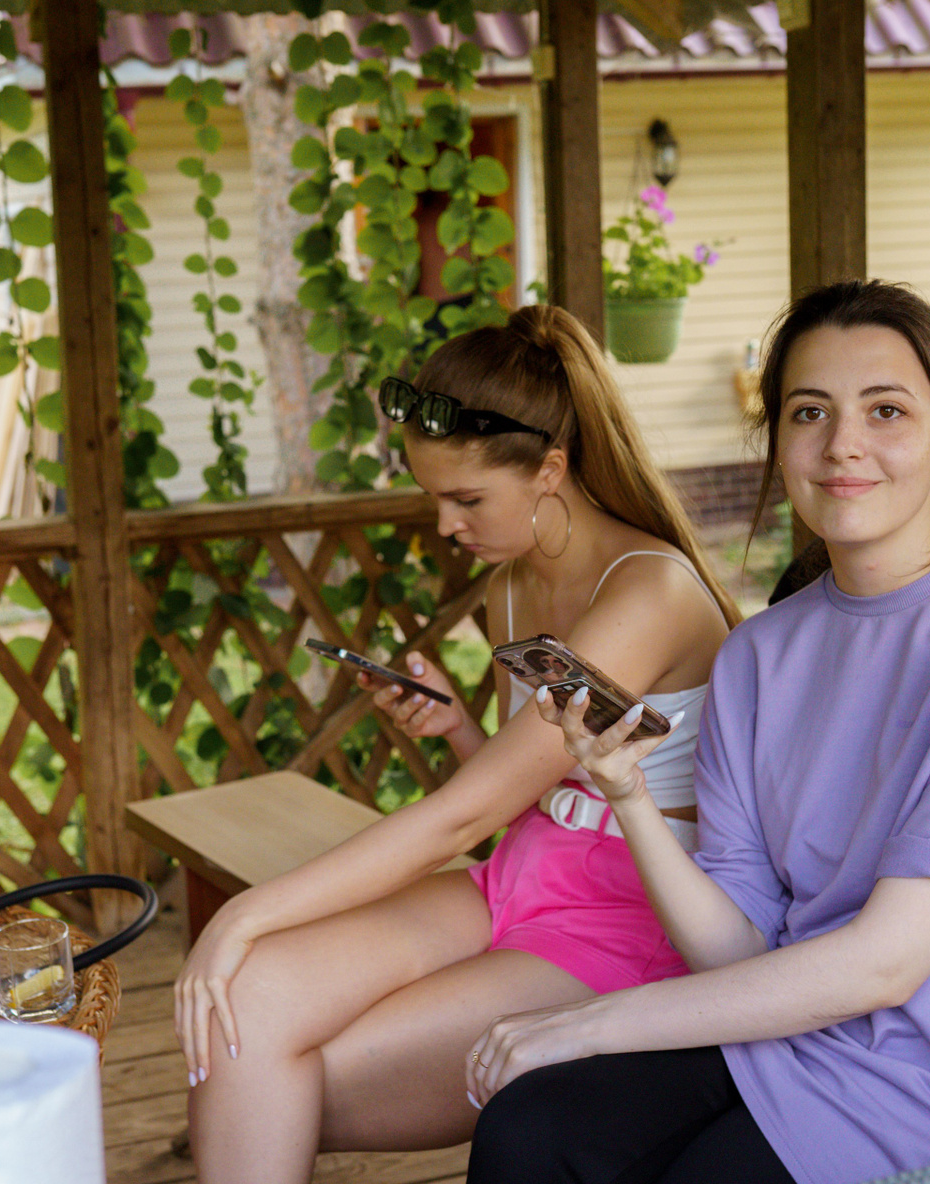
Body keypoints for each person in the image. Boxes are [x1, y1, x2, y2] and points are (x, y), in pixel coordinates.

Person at [465, 281, 930, 1184]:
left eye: (886, 410)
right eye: (809, 412)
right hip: (801, 1035)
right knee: (529, 1132)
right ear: (778, 440)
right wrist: (627, 795)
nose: (842, 444)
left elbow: (884, 965)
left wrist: (589, 1025)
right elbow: (736, 945)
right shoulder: (760, 655)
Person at [174, 306, 740, 1183]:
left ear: (550, 469)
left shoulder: (648, 592)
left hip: (634, 913)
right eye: (434, 497)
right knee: (242, 1011)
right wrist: (462, 730)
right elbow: (531, 793)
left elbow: (460, 818)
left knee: (260, 1068)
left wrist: (243, 914)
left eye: (466, 499)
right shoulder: (510, 588)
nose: (444, 524)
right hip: (518, 875)